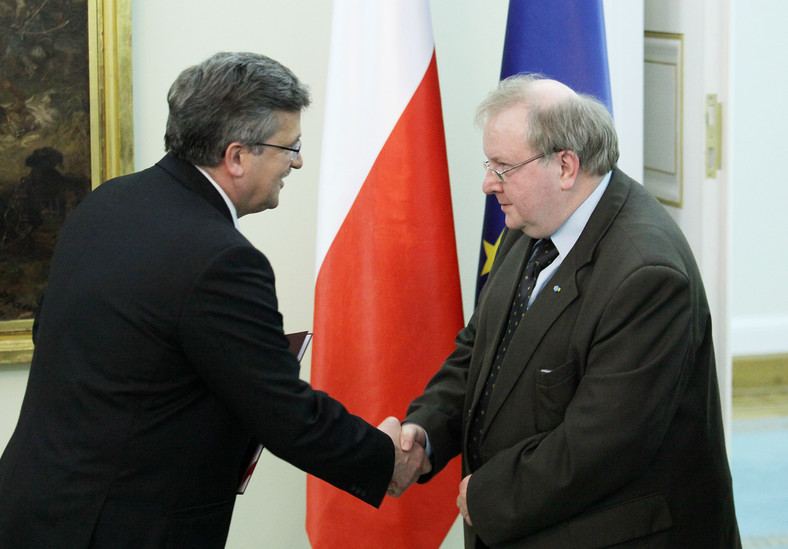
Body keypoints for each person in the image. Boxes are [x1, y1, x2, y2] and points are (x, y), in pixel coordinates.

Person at [0, 52, 428, 548]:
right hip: (119, 528)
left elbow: (65, 340)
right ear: (237, 156)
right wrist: (383, 459)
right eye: (290, 146)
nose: (298, 161)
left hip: (33, 508)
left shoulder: (107, 203)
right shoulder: (221, 260)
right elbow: (283, 414)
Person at [397, 74, 740, 548]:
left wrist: (489, 497)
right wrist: (426, 433)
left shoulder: (647, 275)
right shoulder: (535, 219)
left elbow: (603, 445)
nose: (487, 184)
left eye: (502, 167)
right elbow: (481, 350)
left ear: (565, 166)